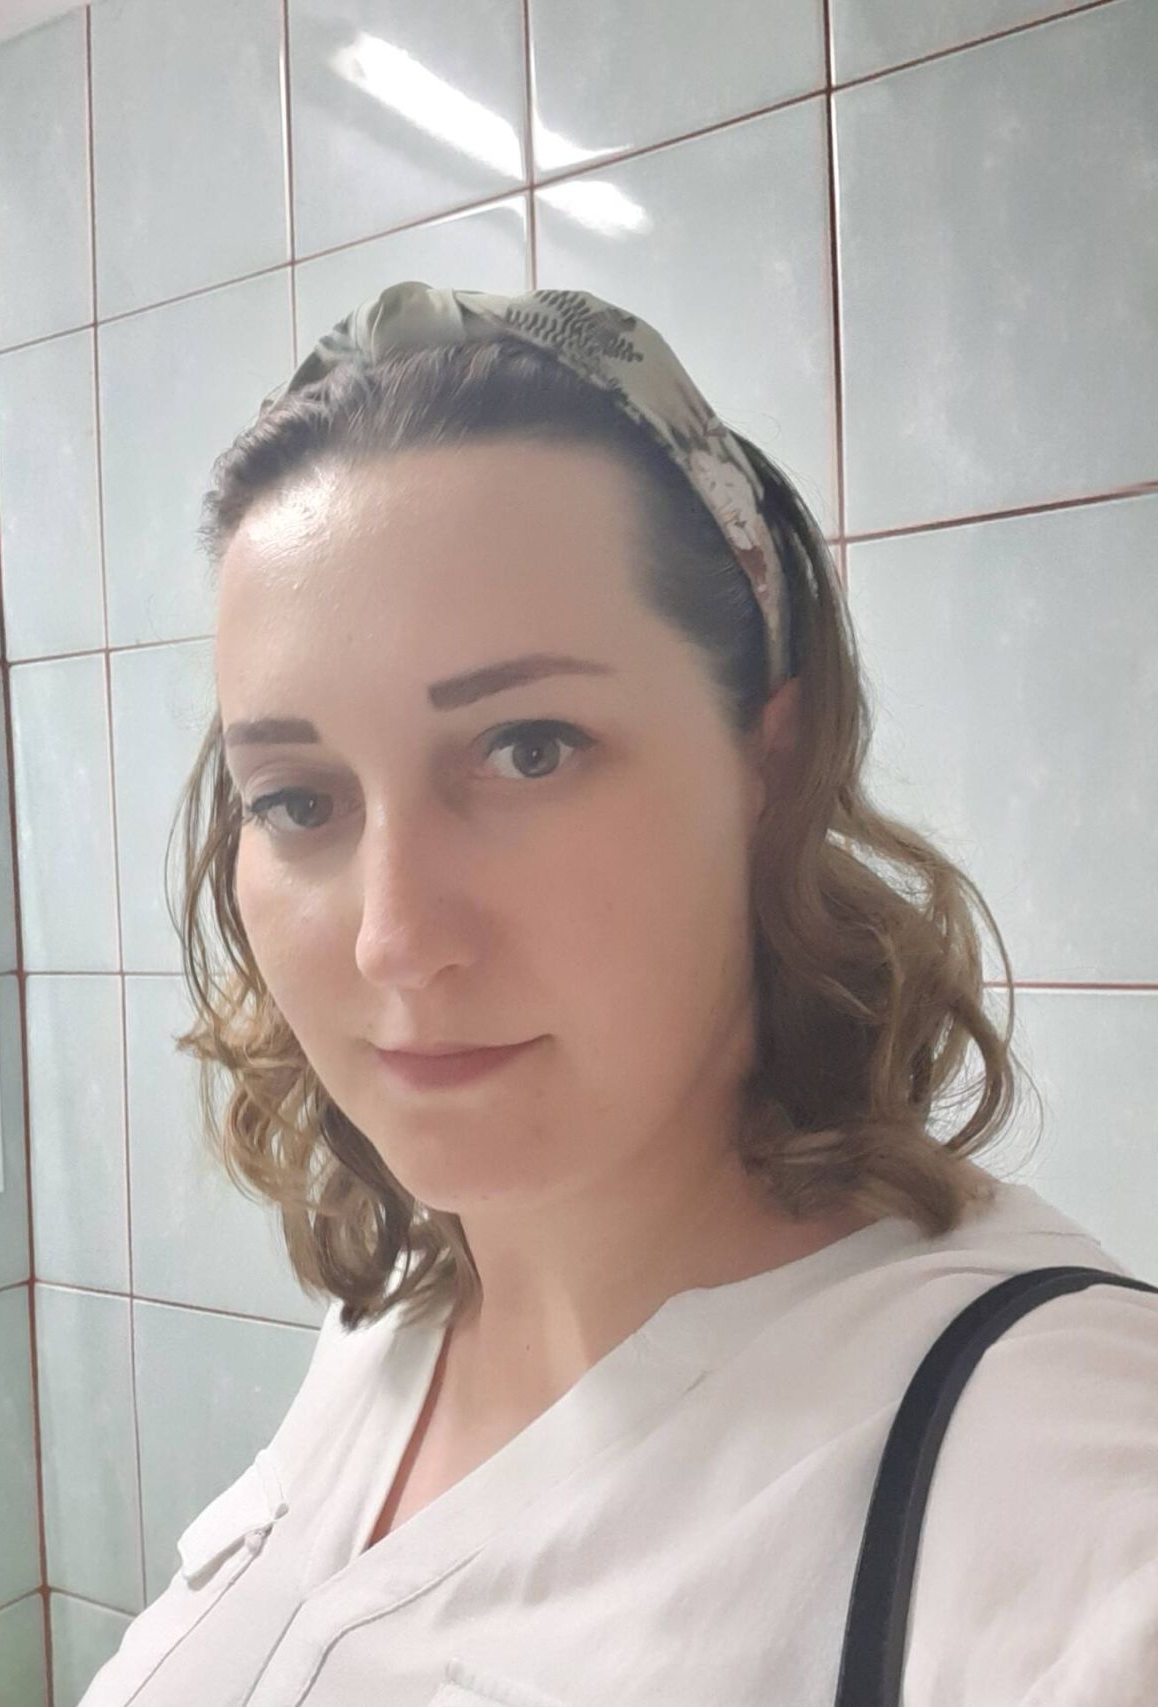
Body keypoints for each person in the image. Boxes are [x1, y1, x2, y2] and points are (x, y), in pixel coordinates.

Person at [80, 284, 1157, 1705]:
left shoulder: (1048, 1475)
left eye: (528, 749)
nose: (396, 941)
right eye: (297, 800)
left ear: (768, 755)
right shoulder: (396, 1327)